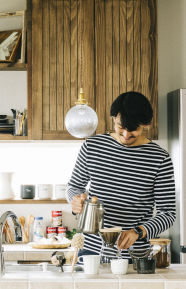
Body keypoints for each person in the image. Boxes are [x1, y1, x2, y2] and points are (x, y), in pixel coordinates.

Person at [67, 91, 176, 259]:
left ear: (145, 125)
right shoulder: (92, 147)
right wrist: (75, 200)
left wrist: (138, 232)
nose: (126, 135)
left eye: (133, 129)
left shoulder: (159, 158)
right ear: (113, 119)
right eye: (121, 127)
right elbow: (74, 186)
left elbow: (167, 213)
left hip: (134, 254)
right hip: (91, 251)